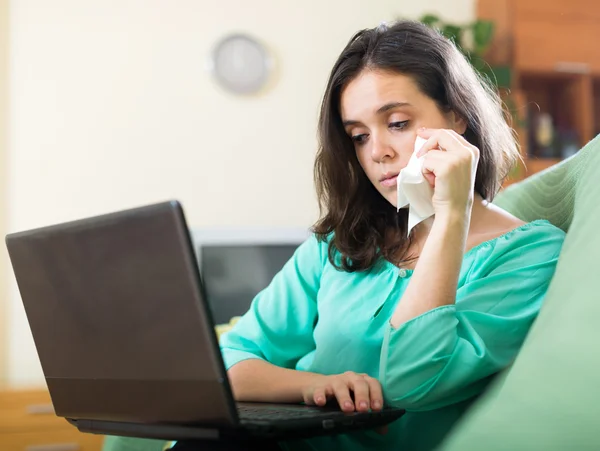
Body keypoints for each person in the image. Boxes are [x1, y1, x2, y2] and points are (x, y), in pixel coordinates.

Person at [173, 19, 565, 451]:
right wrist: (316, 386)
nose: (377, 151)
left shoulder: (532, 254)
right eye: (358, 136)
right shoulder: (340, 244)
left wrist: (451, 214)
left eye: (397, 122)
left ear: (456, 118)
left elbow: (413, 381)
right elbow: (231, 361)